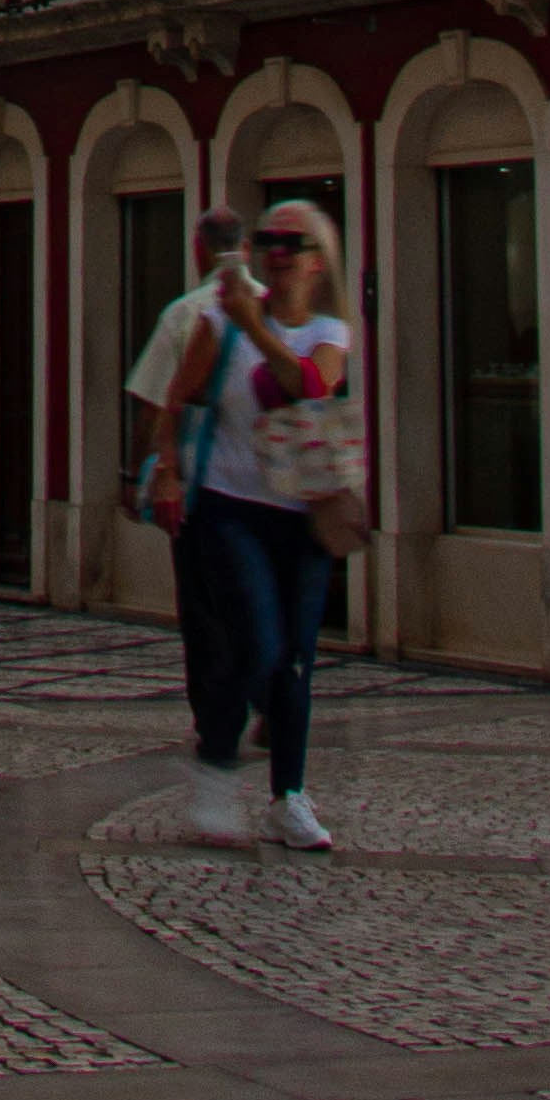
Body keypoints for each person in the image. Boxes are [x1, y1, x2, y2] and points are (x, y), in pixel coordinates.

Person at [159, 201, 353, 848]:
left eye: (292, 243)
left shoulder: (329, 333)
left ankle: (287, 798)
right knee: (259, 644)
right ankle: (215, 772)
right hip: (229, 508)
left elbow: (309, 387)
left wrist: (255, 325)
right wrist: (166, 472)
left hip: (303, 517)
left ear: (318, 261)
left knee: (293, 662)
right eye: (267, 238)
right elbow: (177, 397)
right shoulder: (219, 323)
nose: (277, 250)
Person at [128, 202, 247, 769]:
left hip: (201, 485)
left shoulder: (186, 314)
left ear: (199, 250)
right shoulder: (279, 309)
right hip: (265, 484)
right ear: (243, 248)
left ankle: (217, 723)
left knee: (203, 608)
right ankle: (268, 696)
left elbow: (153, 403)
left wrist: (138, 474)